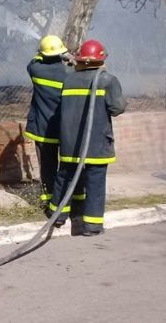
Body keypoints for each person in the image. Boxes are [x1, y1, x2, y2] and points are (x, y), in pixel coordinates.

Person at [49, 39, 126, 236]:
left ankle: (57, 216)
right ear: (101, 59)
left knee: (65, 177)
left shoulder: (68, 80)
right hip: (96, 142)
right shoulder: (108, 80)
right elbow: (117, 108)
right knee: (95, 183)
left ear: (81, 59)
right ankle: (91, 226)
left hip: (70, 141)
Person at [25, 35, 71, 211]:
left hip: (42, 128)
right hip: (64, 129)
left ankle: (48, 199)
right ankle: (66, 198)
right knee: (66, 165)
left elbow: (34, 60)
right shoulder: (69, 74)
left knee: (47, 165)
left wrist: (41, 53)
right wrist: (69, 58)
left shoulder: (35, 69)